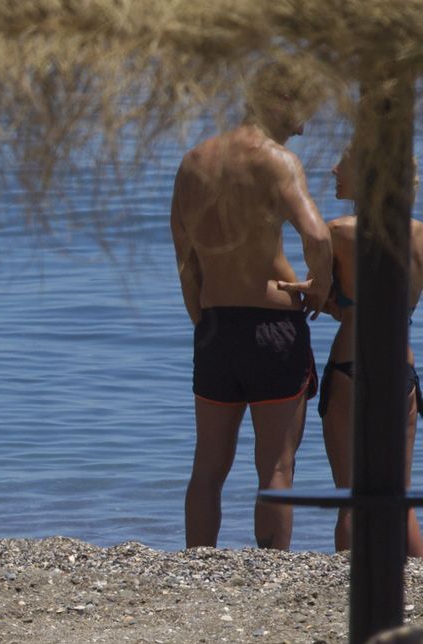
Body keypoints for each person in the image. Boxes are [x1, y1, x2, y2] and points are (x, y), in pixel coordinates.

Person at [171, 61, 332, 549]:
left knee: (207, 467)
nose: (309, 117)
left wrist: (204, 319)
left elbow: (186, 260)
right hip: (272, 329)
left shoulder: (194, 160)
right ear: (280, 100)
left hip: (215, 327)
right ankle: (272, 571)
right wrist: (320, 287)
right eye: (305, 102)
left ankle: (197, 564)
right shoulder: (277, 160)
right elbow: (317, 236)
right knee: (277, 468)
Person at [308, 147, 423, 555]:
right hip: (400, 368)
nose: (334, 168)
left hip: (351, 365)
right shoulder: (418, 233)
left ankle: (349, 585)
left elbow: (322, 299)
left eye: (347, 162)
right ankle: (416, 582)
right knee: (400, 498)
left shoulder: (337, 231)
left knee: (352, 495)